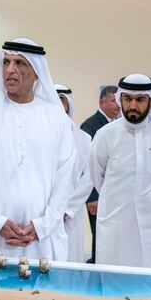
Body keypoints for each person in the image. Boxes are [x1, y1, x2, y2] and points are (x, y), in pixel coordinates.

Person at [0, 38, 75, 260]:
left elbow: (65, 177)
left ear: (37, 72)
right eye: (6, 62)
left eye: (20, 63)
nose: (10, 70)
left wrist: (43, 225)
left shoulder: (56, 119)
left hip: (41, 238)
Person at [89, 74, 151, 269]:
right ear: (120, 99)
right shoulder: (106, 134)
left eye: (139, 100)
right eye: (127, 99)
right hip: (118, 226)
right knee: (117, 286)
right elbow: (97, 176)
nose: (132, 105)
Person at [80, 85, 120, 262]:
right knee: (99, 236)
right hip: (97, 194)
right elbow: (86, 165)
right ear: (101, 102)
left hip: (115, 194)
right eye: (113, 101)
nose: (117, 105)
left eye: (119, 101)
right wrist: (91, 197)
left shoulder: (119, 126)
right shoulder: (89, 126)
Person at [55, 84, 93, 263]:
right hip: (40, 214)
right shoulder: (33, 138)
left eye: (60, 99)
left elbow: (89, 178)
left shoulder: (84, 139)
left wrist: (67, 209)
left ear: (68, 103)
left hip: (70, 215)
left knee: (70, 259)